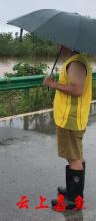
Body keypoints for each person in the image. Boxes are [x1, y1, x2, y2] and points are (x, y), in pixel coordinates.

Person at [43, 46, 92, 210]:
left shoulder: (76, 63)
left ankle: (74, 199)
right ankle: (74, 191)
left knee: (73, 158)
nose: (58, 46)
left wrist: (53, 84)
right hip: (72, 118)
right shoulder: (75, 61)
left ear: (68, 45)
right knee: (77, 155)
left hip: (70, 119)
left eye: (60, 43)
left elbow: (77, 90)